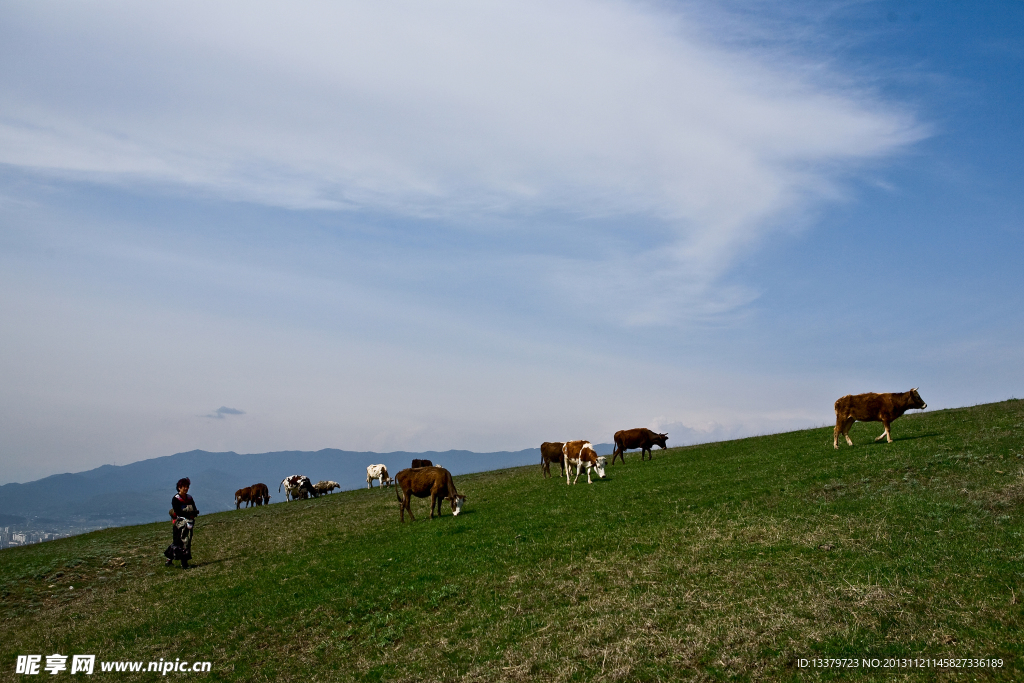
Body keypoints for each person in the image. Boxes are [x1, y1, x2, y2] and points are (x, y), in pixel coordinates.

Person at [164, 477, 199, 569]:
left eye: (187, 486)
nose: (186, 488)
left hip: (188, 524)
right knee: (181, 542)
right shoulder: (176, 499)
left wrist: (193, 513)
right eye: (184, 486)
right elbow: (178, 512)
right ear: (179, 487)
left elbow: (194, 509)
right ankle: (183, 564)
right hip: (179, 524)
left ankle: (172, 560)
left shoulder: (189, 498)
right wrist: (189, 513)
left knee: (184, 542)